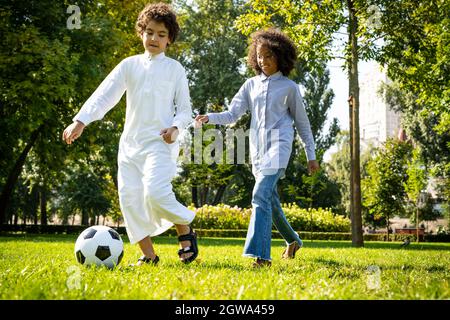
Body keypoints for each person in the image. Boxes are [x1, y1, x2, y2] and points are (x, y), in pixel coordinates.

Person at [62, 2, 198, 266]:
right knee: (130, 200)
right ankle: (149, 255)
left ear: (169, 39)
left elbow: (185, 110)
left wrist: (176, 128)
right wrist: (81, 120)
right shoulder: (129, 65)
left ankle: (186, 226)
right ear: (141, 33)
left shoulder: (175, 69)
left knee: (156, 193)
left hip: (159, 144)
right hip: (129, 146)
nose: (154, 38)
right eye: (149, 32)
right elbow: (105, 95)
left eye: (160, 34)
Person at [196, 28, 320, 267]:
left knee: (259, 194)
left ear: (280, 57)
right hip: (257, 152)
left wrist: (310, 156)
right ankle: (293, 241)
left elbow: (303, 125)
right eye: (259, 56)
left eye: (269, 56)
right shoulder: (250, 85)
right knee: (270, 201)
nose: (263, 60)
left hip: (279, 148)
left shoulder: (290, 88)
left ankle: (261, 256)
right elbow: (232, 114)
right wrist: (210, 117)